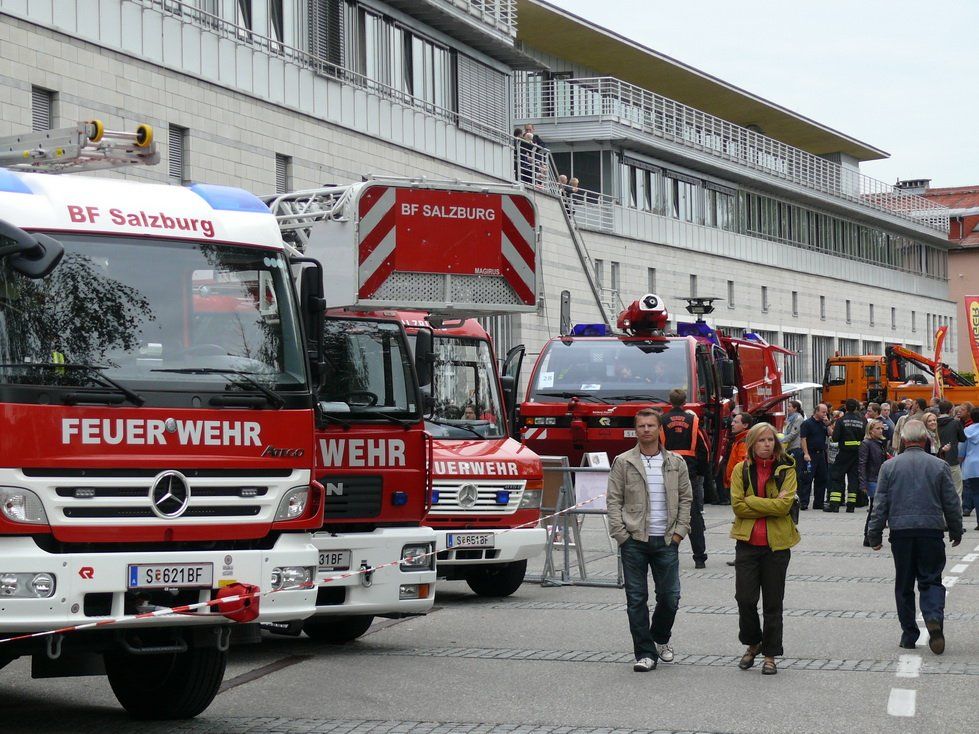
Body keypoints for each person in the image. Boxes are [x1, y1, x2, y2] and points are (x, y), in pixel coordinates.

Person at [606, 408, 692, 672]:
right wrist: (621, 535)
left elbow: (686, 499)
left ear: (659, 429)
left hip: (666, 540)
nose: (646, 430)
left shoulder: (676, 462)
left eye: (651, 425)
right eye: (641, 426)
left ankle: (659, 637)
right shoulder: (623, 462)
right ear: (636, 430)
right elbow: (613, 500)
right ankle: (645, 653)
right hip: (634, 540)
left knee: (670, 597)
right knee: (636, 599)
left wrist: (679, 533)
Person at [867, 419, 963, 654]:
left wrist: (874, 534)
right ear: (925, 439)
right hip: (931, 532)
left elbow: (880, 504)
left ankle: (909, 635)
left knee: (904, 584)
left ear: (903, 440)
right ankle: (933, 617)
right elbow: (951, 502)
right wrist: (956, 529)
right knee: (931, 579)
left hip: (901, 533)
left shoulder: (889, 467)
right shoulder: (939, 466)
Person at [730, 422, 800, 676]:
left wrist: (752, 501)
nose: (767, 444)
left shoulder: (786, 469)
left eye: (770, 440)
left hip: (777, 544)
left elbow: (784, 507)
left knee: (773, 603)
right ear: (752, 444)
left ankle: (770, 655)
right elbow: (738, 506)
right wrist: (769, 504)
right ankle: (753, 642)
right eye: (761, 440)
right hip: (747, 543)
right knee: (745, 599)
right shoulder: (740, 469)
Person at [662, 389, 708, 568]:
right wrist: (701, 472)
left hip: (667, 469)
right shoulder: (693, 420)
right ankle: (699, 557)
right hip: (689, 471)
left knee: (665, 513)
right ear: (684, 401)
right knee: (693, 515)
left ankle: (665, 554)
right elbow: (704, 449)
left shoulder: (662, 421)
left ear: (670, 401)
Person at [723, 412, 754, 565]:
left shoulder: (744, 441)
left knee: (742, 523)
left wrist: (736, 484)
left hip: (741, 488)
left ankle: (743, 556)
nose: (732, 424)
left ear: (745, 425)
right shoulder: (740, 439)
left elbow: (742, 466)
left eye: (736, 422)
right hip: (738, 486)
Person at [828, 398, 866, 512]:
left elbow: (835, 438)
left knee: (837, 477)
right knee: (853, 479)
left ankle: (834, 505)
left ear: (846, 407)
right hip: (857, 453)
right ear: (856, 408)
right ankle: (851, 506)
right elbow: (865, 436)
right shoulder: (863, 420)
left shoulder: (841, 420)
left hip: (844, 453)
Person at [859, 419, 888, 546]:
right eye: (877, 428)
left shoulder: (879, 443)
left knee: (877, 509)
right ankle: (868, 536)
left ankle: (872, 535)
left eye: (882, 428)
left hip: (879, 478)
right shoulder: (866, 443)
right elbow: (862, 464)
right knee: (874, 509)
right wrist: (863, 483)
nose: (881, 431)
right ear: (870, 431)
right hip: (872, 479)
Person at [800, 402, 829, 510]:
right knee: (807, 478)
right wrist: (806, 453)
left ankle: (818, 503)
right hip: (810, 453)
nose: (825, 414)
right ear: (816, 411)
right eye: (823, 412)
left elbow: (831, 434)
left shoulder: (823, 423)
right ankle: (804, 502)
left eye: (826, 412)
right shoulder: (807, 423)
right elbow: (803, 439)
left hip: (821, 454)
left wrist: (827, 424)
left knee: (822, 478)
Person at [936, 399, 966, 501]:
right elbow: (963, 438)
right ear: (950, 410)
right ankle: (956, 509)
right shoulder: (955, 423)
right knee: (957, 490)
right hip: (952, 459)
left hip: (936, 460)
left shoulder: (933, 422)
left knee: (939, 490)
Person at [956, 406, 979, 525]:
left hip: (971, 465)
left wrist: (959, 462)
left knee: (976, 492)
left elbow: (961, 450)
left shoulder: (966, 431)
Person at [781, 400, 805, 489]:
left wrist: (780, 441)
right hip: (789, 448)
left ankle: (798, 491)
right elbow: (786, 432)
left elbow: (793, 434)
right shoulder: (790, 418)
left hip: (796, 448)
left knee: (796, 472)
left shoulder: (798, 418)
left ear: (795, 408)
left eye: (789, 406)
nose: (787, 408)